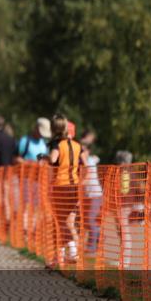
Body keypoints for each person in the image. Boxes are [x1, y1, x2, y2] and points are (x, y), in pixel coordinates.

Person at [47, 113, 87, 266]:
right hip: (75, 187)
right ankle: (68, 254)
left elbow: (52, 159)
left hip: (61, 187)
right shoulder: (78, 145)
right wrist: (81, 181)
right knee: (68, 222)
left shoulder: (56, 144)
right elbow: (85, 164)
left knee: (60, 222)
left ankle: (68, 255)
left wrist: (44, 156)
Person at [82, 140, 103, 254]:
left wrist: (78, 185)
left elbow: (88, 175)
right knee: (87, 220)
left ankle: (92, 247)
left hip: (95, 195)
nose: (81, 152)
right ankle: (95, 240)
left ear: (88, 151)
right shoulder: (88, 160)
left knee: (90, 220)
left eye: (83, 150)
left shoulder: (89, 161)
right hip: (90, 195)